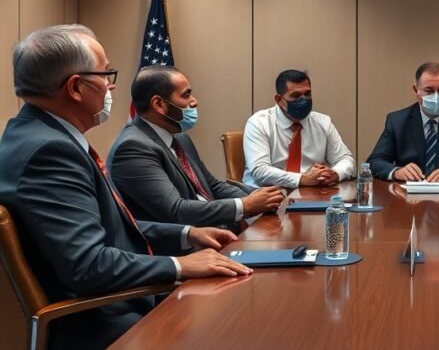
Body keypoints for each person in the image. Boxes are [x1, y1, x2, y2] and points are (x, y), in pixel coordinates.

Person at [0, 25, 251, 349]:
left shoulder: (37, 134)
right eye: (105, 74)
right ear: (75, 87)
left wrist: (186, 234)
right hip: (106, 321)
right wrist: (180, 265)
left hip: (117, 301)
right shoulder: (49, 152)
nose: (112, 85)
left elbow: (107, 226)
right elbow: (89, 265)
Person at [108, 66, 284, 229]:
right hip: (184, 245)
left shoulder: (179, 137)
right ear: (159, 104)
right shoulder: (133, 148)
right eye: (186, 95)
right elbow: (176, 211)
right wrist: (245, 206)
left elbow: (212, 186)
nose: (194, 102)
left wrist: (262, 196)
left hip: (217, 230)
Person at [242, 69, 356, 188]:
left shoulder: (323, 122)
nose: (304, 100)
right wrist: (302, 179)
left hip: (312, 192)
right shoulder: (259, 123)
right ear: (279, 100)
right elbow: (260, 171)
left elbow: (346, 159)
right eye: (296, 96)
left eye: (307, 94)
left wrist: (336, 173)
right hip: (266, 193)